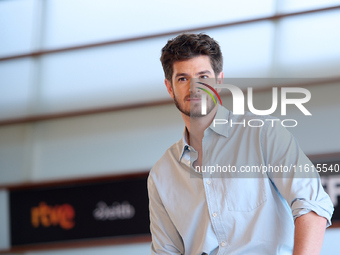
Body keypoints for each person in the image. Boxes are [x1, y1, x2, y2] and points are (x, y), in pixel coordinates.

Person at [147, 33, 334, 255]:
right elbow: (166, 251)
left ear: (219, 80)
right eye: (183, 78)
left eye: (203, 76)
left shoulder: (263, 133)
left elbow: (311, 204)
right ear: (170, 88)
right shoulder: (161, 175)